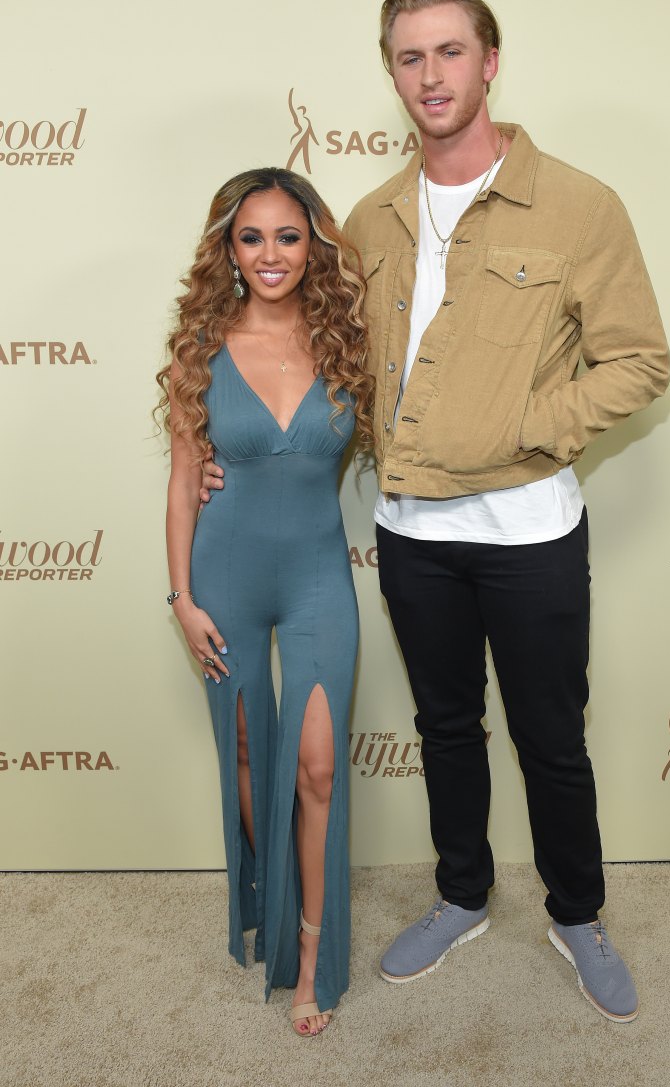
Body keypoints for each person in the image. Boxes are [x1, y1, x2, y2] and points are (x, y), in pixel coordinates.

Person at [202, 0, 670, 1023]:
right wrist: (243, 455)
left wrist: (525, 422)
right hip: (410, 531)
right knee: (444, 724)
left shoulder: (579, 205)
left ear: (488, 62)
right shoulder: (365, 219)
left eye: (449, 53)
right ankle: (461, 891)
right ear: (391, 73)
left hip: (528, 525)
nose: (430, 77)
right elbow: (313, 352)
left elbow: (638, 362)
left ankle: (577, 911)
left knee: (550, 732)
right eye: (408, 58)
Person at [157, 168, 372, 1037]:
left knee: (316, 765)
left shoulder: (349, 339)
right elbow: (181, 487)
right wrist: (181, 598)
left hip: (320, 569)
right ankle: (276, 898)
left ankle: (310, 956)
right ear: (229, 250)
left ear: (312, 244)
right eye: (252, 237)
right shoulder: (201, 347)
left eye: (289, 235)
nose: (271, 254)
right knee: (248, 753)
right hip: (225, 573)